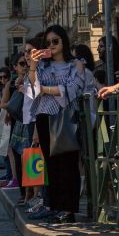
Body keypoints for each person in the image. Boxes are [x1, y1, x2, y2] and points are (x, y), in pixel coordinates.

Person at [25, 25, 85, 224]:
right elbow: (32, 90)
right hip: (44, 117)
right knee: (50, 166)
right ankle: (54, 206)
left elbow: (73, 89)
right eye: (47, 43)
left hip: (66, 117)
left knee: (68, 164)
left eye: (55, 41)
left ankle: (68, 209)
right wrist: (33, 65)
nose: (51, 45)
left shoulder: (76, 64)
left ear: (63, 42)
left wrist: (46, 89)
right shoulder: (42, 66)